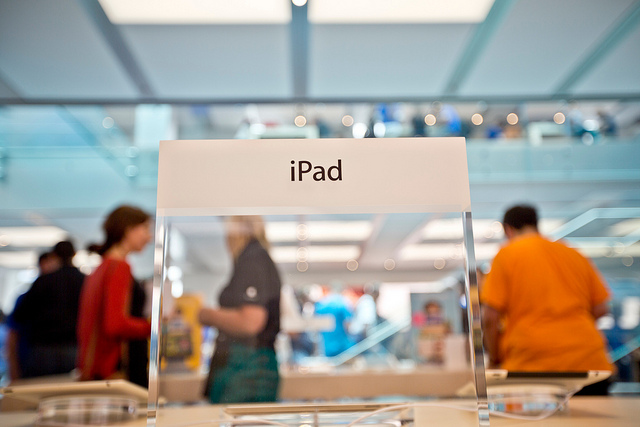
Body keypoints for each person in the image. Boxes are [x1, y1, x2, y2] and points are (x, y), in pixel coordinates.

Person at [481, 205, 614, 385]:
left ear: (508, 229)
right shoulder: (572, 253)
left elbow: (490, 317)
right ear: (536, 224)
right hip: (589, 361)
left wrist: (495, 358)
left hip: (533, 363)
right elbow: (601, 307)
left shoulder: (506, 255)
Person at [199, 216, 281, 404]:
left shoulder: (253, 258)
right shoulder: (255, 258)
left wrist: (207, 315)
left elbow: (250, 322)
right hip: (247, 365)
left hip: (246, 367)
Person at [77, 205, 152, 385]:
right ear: (129, 229)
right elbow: (115, 324)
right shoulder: (119, 267)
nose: (149, 237)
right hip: (117, 367)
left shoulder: (102, 267)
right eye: (146, 229)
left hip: (99, 367)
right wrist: (152, 328)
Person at [12, 241, 85, 378]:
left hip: (43, 348)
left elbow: (20, 316)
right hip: (73, 346)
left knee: (40, 393)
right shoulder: (84, 281)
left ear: (55, 255)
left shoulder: (44, 281)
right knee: (71, 393)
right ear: (74, 254)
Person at [6, 251, 61, 381]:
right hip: (30, 358)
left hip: (36, 357)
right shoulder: (26, 298)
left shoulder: (59, 301)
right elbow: (13, 334)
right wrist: (13, 368)